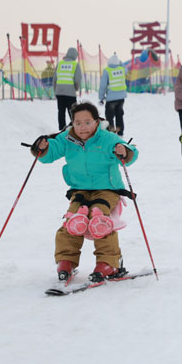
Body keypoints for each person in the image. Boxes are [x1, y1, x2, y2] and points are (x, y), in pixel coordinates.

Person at [31, 101, 138, 283]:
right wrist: (42, 148)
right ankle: (67, 260)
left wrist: (124, 151)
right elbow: (49, 155)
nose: (82, 127)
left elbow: (131, 154)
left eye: (87, 122)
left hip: (107, 189)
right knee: (73, 220)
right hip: (80, 189)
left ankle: (109, 262)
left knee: (99, 219)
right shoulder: (67, 138)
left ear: (96, 121)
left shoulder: (107, 139)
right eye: (78, 123)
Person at [99, 54, 127, 137]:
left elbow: (103, 85)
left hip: (111, 98)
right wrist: (121, 63)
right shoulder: (122, 69)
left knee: (110, 116)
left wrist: (101, 97)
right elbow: (126, 69)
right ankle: (120, 132)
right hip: (121, 98)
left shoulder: (107, 70)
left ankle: (111, 132)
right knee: (119, 115)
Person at [55, 48, 82, 130]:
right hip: (70, 92)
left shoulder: (60, 64)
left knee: (61, 112)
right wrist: (76, 88)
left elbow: (54, 79)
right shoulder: (75, 64)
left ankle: (61, 130)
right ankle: (75, 129)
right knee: (73, 112)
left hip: (59, 92)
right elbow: (77, 79)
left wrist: (55, 90)